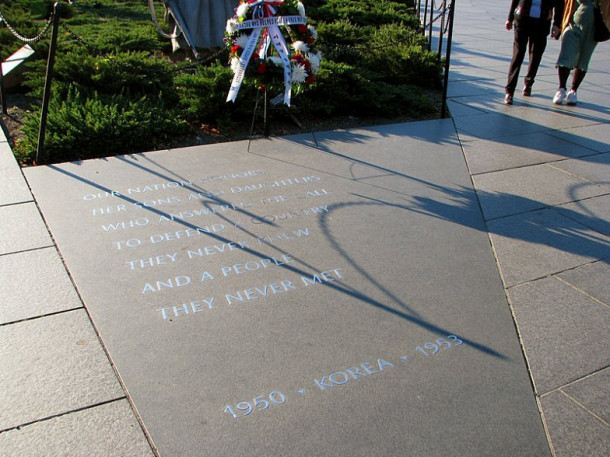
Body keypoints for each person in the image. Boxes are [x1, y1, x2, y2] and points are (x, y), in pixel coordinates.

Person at [504, 0, 564, 105]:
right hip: (522, 19)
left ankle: (528, 83)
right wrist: (510, 18)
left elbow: (559, 3)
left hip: (542, 22)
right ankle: (509, 92)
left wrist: (557, 24)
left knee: (536, 54)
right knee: (518, 55)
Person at [553, 0, 607, 105]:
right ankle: (562, 88)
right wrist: (557, 23)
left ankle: (573, 90)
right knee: (565, 54)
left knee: (584, 58)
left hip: (593, 28)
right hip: (572, 23)